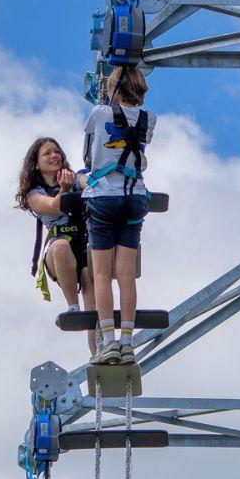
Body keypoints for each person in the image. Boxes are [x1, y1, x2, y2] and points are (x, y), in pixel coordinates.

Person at [81, 64, 156, 366]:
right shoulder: (150, 119)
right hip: (135, 196)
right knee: (126, 274)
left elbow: (89, 156)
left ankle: (108, 341)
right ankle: (128, 342)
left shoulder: (99, 114)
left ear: (113, 87)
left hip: (103, 197)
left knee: (102, 274)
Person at [16, 137, 96, 352]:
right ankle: (72, 305)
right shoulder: (35, 194)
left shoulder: (73, 178)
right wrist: (64, 189)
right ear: (36, 163)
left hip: (84, 244)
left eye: (56, 151)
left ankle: (99, 351)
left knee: (92, 289)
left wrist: (95, 180)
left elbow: (87, 181)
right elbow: (54, 206)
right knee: (60, 246)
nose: (54, 156)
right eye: (47, 153)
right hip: (59, 251)